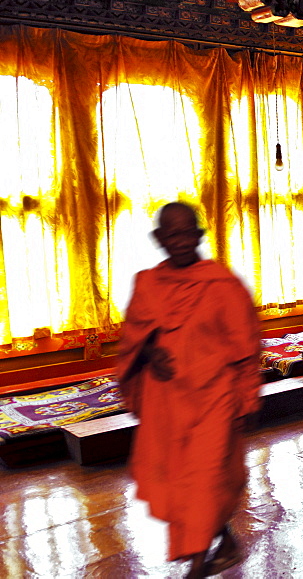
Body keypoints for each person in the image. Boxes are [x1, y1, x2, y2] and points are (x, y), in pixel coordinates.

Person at [116, 202, 261, 578]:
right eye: (171, 234)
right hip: (167, 403)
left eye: (187, 233)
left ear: (199, 235)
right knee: (184, 485)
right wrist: (149, 352)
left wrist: (247, 398)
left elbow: (246, 346)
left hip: (215, 398)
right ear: (159, 239)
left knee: (206, 478)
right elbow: (133, 337)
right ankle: (225, 540)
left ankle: (196, 566)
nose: (180, 242)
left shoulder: (222, 285)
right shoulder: (148, 284)